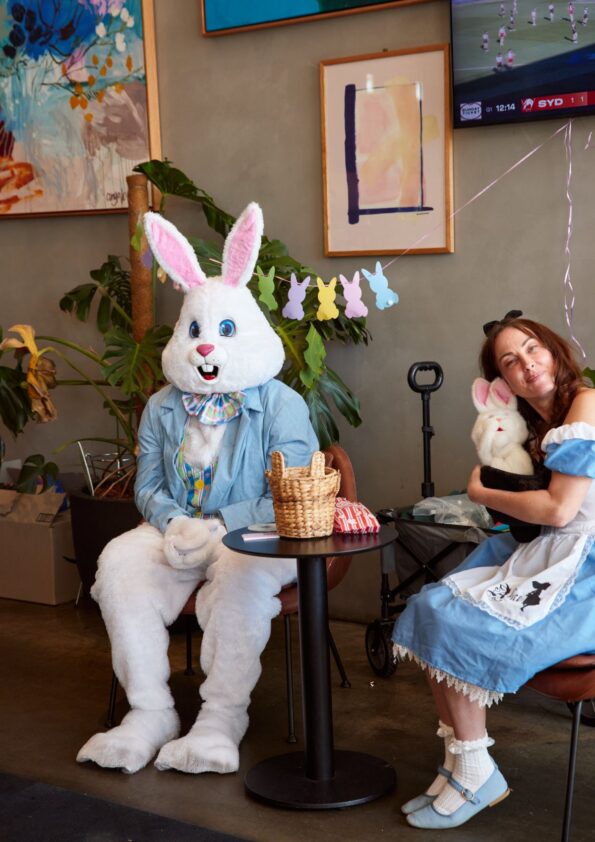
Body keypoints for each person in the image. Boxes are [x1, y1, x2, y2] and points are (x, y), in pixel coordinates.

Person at [392, 312, 595, 829]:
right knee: (429, 608)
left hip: (584, 566)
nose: (527, 364)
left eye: (532, 349)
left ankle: (476, 773)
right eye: (510, 361)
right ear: (502, 382)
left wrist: (482, 492)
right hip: (549, 551)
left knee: (458, 621)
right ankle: (461, 763)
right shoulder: (532, 428)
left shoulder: (586, 403)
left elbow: (559, 510)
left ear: (553, 350)